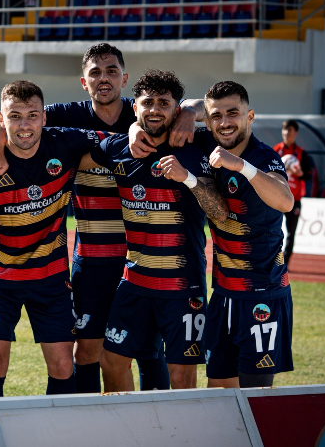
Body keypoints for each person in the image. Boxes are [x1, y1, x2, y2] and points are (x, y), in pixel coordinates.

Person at [0, 43, 205, 393]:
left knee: (147, 349)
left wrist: (189, 111)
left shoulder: (144, 110)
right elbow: (9, 114)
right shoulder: (67, 115)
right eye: (95, 72)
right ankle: (85, 423)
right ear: (84, 82)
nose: (103, 79)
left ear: (124, 78)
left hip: (140, 257)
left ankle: (150, 424)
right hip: (93, 257)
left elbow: (197, 104)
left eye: (111, 71)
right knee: (87, 350)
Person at [0, 80, 111, 398]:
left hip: (51, 280)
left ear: (44, 117)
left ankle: (61, 435)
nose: (24, 125)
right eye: (15, 116)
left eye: (32, 115)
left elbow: (117, 144)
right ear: (2, 120)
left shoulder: (65, 144)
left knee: (61, 365)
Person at [80, 70, 227, 392]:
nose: (155, 109)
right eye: (147, 102)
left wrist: (191, 116)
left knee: (181, 376)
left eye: (164, 103)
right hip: (134, 282)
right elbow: (64, 156)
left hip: (182, 285)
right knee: (112, 361)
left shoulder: (198, 144)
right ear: (135, 108)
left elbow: (221, 211)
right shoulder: (116, 147)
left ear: (176, 109)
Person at [202, 81, 295, 388]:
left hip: (262, 295)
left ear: (250, 116)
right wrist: (189, 114)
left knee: (255, 398)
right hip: (224, 295)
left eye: (233, 113)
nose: (225, 122)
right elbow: (181, 106)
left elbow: (285, 200)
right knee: (218, 393)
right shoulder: (208, 146)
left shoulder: (263, 155)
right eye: (216, 115)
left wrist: (241, 166)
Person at [272, 120, 311, 265]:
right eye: (284, 131)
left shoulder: (301, 153)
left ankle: (285, 263)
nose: (286, 134)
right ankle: (272, 259)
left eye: (289, 131)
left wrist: (300, 173)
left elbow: (308, 175)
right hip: (276, 197)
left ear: (295, 133)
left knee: (290, 232)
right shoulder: (275, 150)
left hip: (294, 199)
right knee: (272, 229)